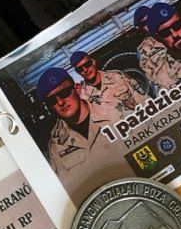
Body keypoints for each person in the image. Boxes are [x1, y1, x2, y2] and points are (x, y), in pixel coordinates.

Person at [37, 67, 123, 200]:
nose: (60, 102)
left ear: (77, 89)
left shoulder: (113, 110)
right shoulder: (57, 146)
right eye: (52, 100)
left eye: (64, 93)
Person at [70, 50, 143, 118]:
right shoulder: (83, 96)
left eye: (87, 64)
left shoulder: (117, 76)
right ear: (77, 72)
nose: (85, 70)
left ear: (93, 62)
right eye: (80, 69)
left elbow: (141, 98)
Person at [134, 5, 166, 86]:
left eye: (150, 19)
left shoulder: (173, 29)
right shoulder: (144, 50)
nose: (148, 24)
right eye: (144, 23)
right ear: (141, 28)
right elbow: (152, 77)